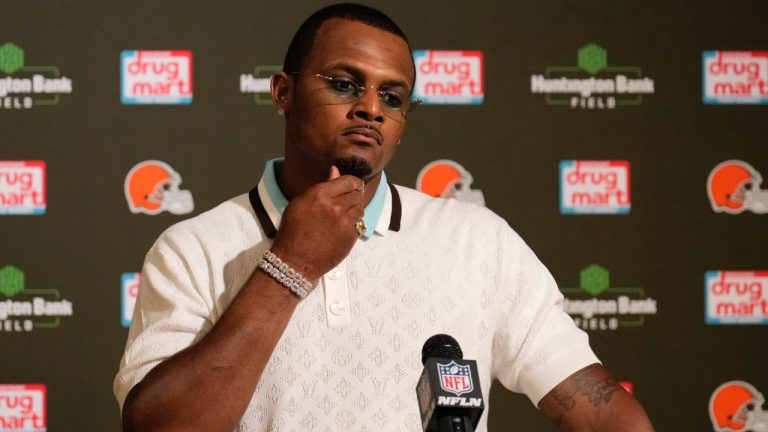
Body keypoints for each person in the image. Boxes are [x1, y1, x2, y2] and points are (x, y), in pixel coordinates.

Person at [114, 3, 655, 431]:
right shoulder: (195, 247)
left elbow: (599, 410)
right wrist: (292, 263)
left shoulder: (475, 242)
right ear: (283, 92)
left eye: (392, 96)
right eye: (345, 84)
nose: (371, 107)